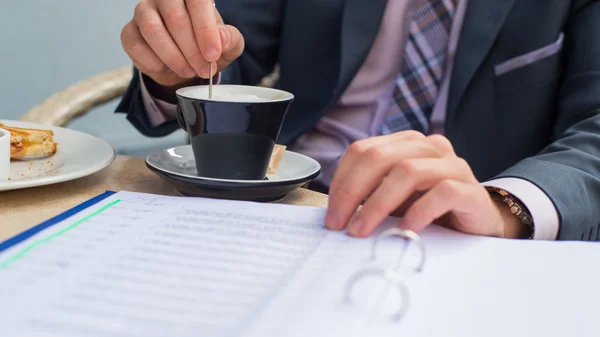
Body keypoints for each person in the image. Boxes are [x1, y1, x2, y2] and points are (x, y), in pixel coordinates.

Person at [116, 0, 600, 241]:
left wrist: (506, 205)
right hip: (283, 202)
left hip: (462, 225)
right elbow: (223, 59)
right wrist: (177, 61)